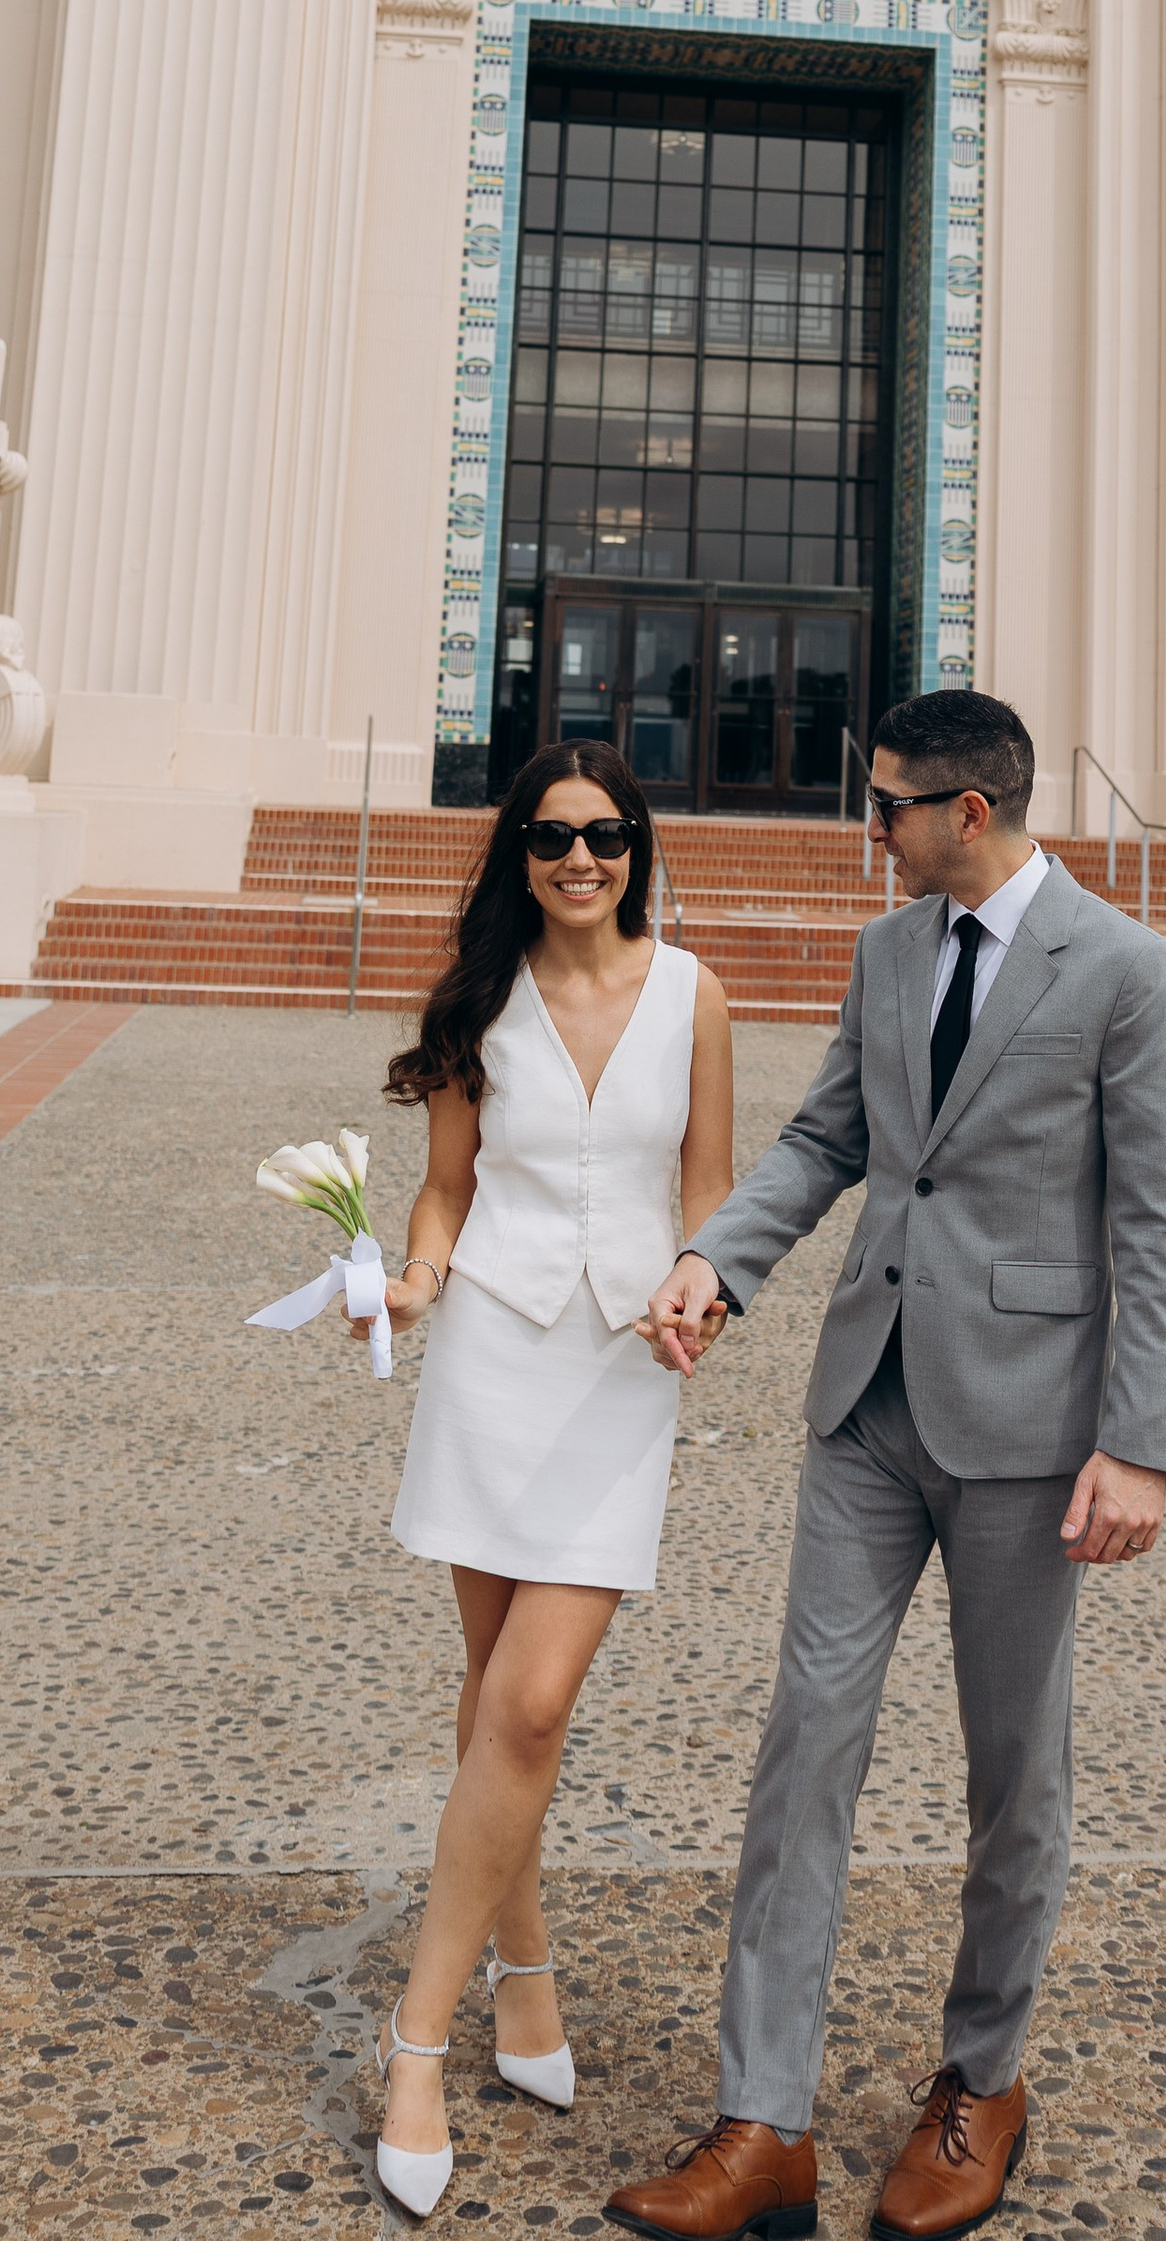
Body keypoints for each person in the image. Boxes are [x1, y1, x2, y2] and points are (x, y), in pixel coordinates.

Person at [607, 688, 1166, 2241]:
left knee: (1016, 1776)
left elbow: (1155, 1221)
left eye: (887, 807)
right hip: (867, 1405)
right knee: (806, 1741)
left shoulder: (1127, 972)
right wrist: (717, 1262)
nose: (870, 830)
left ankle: (981, 2083)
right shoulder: (888, 955)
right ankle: (765, 2122)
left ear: (970, 814)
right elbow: (825, 1141)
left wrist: (1138, 1447)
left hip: (1029, 1430)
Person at [365, 739, 736, 2220]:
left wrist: (705, 1285)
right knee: (488, 1703)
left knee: (527, 1705)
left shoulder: (698, 995)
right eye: (551, 838)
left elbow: (707, 1183)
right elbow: (448, 1187)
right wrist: (408, 1282)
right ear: (517, 855)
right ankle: (526, 1974)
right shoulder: (477, 1002)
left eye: (605, 835)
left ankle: (415, 2043)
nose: (580, 860)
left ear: (638, 848)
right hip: (490, 1366)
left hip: (619, 1376)